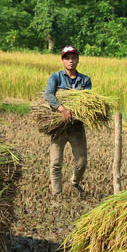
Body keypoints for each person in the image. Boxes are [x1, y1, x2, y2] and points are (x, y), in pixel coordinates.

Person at [44, 45, 92, 195]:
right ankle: (56, 193)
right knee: (56, 163)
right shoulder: (56, 77)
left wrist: (76, 113)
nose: (70, 61)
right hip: (59, 127)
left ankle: (74, 182)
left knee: (82, 162)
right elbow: (49, 95)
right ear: (62, 60)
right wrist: (62, 110)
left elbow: (87, 101)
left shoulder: (85, 80)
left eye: (73, 57)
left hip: (76, 127)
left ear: (78, 60)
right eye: (67, 58)